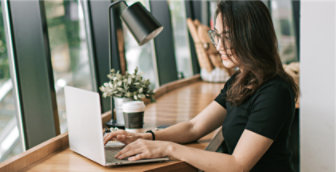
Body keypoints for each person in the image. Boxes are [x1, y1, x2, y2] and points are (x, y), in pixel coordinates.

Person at [103, 1, 298, 171]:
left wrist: (167, 148)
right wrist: (147, 138)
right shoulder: (241, 79)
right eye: (217, 35)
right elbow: (194, 127)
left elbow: (238, 165)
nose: (218, 46)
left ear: (251, 36)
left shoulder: (275, 91)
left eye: (227, 37)